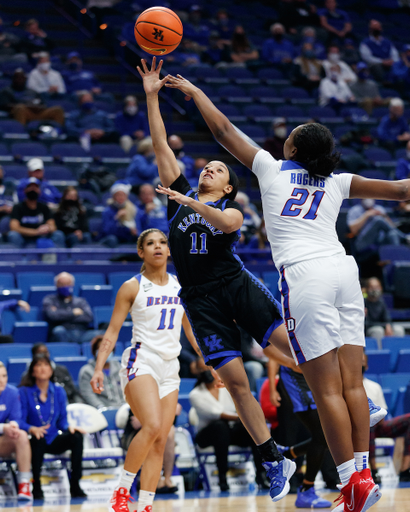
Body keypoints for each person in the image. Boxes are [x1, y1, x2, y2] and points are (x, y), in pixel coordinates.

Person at [164, 67, 410, 512]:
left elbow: (221, 129)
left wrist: (195, 90)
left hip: (307, 278)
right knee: (353, 384)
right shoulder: (338, 181)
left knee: (326, 391)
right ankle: (362, 478)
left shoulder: (272, 170)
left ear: (293, 148)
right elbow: (402, 190)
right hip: (344, 272)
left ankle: (352, 481)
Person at [137, 58, 303, 505]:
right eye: (206, 167)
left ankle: (353, 399)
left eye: (218, 169)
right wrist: (153, 96)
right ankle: (272, 458)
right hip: (199, 299)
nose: (209, 169)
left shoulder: (228, 208)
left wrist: (192, 205)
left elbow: (228, 225)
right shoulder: (180, 198)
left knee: (287, 350)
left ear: (229, 185)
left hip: (235, 282)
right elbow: (159, 148)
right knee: (235, 381)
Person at [90, 228, 207, 512]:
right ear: (141, 252)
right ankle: (120, 492)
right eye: (151, 243)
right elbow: (112, 331)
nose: (158, 247)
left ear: (169, 250)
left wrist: (210, 361)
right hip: (141, 360)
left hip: (170, 366)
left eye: (163, 242)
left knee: (160, 439)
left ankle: (145, 505)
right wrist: (98, 368)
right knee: (152, 426)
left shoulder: (181, 287)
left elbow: (190, 331)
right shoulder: (132, 287)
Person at [265, 358, 333, 508]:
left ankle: (287, 454)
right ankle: (306, 490)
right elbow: (272, 353)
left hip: (315, 374)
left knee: (328, 435)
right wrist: (272, 388)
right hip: (295, 376)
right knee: (322, 433)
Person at [189, 369, 270, 491]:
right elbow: (216, 414)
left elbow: (239, 405)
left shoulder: (225, 389)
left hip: (230, 430)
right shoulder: (195, 394)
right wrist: (243, 417)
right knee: (220, 426)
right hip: (207, 435)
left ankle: (261, 474)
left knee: (251, 428)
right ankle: (222, 477)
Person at [19, 354, 86, 500]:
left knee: (77, 437)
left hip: (54, 437)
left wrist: (71, 427)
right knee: (38, 439)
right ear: (32, 371)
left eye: (46, 365)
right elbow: (20, 420)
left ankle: (75, 484)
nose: (42, 368)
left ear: (51, 370)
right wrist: (32, 428)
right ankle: (36, 487)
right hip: (34, 438)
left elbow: (62, 421)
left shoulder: (58, 391)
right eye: (38, 365)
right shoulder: (24, 392)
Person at [362, 353, 410, 483]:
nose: (360, 363)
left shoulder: (374, 386)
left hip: (378, 426)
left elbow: (382, 413)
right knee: (366, 422)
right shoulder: (344, 387)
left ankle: (405, 468)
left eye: (363, 361)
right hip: (357, 430)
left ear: (367, 365)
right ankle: (373, 470)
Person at [0, 361, 32, 500]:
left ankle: (24, 486)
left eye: (4, 376)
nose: (1, 380)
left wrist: (13, 425)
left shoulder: (12, 392)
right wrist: (3, 427)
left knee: (22, 435)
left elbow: (18, 418)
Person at [8, 178, 64, 248]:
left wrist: (47, 228)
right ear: (25, 190)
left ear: (39, 191)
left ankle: (58, 257)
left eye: (35, 187)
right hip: (24, 237)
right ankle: (16, 258)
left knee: (58, 234)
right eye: (30, 187)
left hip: (42, 236)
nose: (33, 189)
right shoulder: (18, 207)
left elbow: (53, 227)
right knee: (13, 235)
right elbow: (14, 227)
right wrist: (36, 232)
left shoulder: (44, 207)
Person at [0, 68, 64, 126]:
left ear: (25, 79)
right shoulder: (6, 91)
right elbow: (5, 106)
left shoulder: (32, 92)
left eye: (22, 78)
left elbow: (43, 104)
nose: (20, 80)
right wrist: (25, 106)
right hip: (22, 112)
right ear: (13, 79)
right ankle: (22, 132)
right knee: (20, 108)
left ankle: (59, 132)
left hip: (36, 113)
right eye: (18, 78)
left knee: (58, 110)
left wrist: (37, 107)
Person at [42, 272, 94, 343]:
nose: (65, 286)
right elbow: (53, 316)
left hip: (82, 333)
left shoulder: (81, 301)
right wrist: (73, 313)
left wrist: (61, 314)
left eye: (67, 284)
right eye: (62, 284)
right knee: (59, 330)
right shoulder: (50, 300)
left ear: (72, 285)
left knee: (102, 333)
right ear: (56, 285)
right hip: (63, 331)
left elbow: (88, 317)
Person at [79, 335, 124, 409]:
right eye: (101, 349)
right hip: (99, 410)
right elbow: (87, 393)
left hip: (122, 409)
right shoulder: (87, 371)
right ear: (94, 352)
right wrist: (101, 407)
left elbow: (126, 390)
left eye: (108, 349)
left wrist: (125, 406)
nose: (105, 352)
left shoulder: (120, 368)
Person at [364, 277, 404, 347]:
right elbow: (366, 323)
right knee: (378, 331)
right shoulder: (363, 303)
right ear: (367, 289)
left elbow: (387, 318)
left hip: (381, 326)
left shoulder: (381, 302)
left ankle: (396, 352)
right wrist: (384, 326)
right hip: (369, 329)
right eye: (372, 287)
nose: (374, 290)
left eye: (377, 287)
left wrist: (388, 325)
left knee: (398, 330)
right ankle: (380, 354)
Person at [100, 182, 137, 247]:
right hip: (110, 239)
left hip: (126, 238)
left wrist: (133, 231)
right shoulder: (107, 211)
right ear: (113, 197)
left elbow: (138, 227)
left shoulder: (132, 210)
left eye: (123, 195)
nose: (121, 197)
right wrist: (116, 217)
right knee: (112, 239)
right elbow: (107, 231)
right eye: (118, 195)